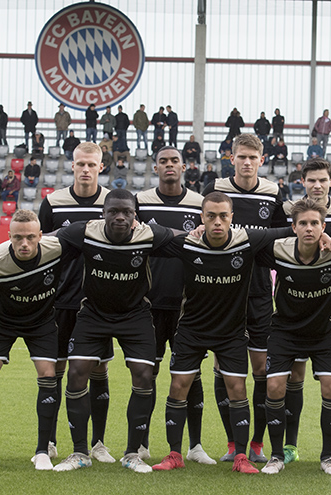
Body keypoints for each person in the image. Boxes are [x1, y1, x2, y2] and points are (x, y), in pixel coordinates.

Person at [151, 192, 298, 475]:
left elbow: (287, 230)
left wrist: (322, 235)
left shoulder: (246, 241)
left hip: (231, 333)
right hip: (192, 330)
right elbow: (154, 236)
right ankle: (175, 454)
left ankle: (241, 456)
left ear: (232, 218)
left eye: (223, 216)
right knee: (178, 386)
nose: (217, 222)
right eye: (211, 216)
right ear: (202, 218)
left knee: (237, 389)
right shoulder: (188, 243)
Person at [52, 189, 174, 474]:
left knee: (144, 374)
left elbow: (180, 237)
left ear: (135, 216)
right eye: (114, 212)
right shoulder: (85, 232)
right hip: (94, 314)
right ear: (103, 214)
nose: (120, 217)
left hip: (135, 315)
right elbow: (51, 238)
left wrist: (199, 232)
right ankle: (80, 452)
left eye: (126, 212)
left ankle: (132, 454)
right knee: (76, 372)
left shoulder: (148, 234)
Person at [202, 133, 289, 463]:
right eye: (242, 156)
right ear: (232, 158)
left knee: (261, 368)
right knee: (223, 366)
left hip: (258, 291)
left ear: (261, 160)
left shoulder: (272, 193)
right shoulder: (216, 189)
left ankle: (256, 444)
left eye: (253, 157)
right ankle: (231, 443)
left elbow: (282, 239)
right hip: (221, 292)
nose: (247, 162)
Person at [257, 199, 331, 476]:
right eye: (303, 223)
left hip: (322, 332)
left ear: (324, 226)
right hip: (285, 331)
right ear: (293, 227)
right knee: (274, 387)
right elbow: (249, 242)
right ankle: (276, 456)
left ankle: (328, 457)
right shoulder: (278, 250)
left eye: (315, 223)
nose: (309, 228)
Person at [279, 158, 331, 469]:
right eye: (311, 180)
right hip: (294, 299)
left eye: (322, 180)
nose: (317, 185)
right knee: (294, 373)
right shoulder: (290, 210)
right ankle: (290, 445)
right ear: (302, 181)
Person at [0, 210, 67, 470]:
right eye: (18, 237)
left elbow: (84, 231)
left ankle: (43, 451)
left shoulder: (56, 249)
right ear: (9, 236)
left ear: (40, 236)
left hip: (41, 322)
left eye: (30, 237)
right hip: (2, 322)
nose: (24, 243)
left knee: (48, 373)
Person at [135, 148, 211, 464]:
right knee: (146, 374)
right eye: (163, 161)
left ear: (184, 166)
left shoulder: (199, 203)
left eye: (174, 161)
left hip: (187, 306)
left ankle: (195, 446)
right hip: (149, 304)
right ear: (155, 167)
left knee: (191, 374)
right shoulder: (140, 202)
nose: (169, 165)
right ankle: (141, 444)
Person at [37, 141, 111, 462]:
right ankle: (50, 441)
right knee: (55, 370)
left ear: (101, 167)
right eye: (80, 163)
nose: (85, 169)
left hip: (99, 304)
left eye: (92, 164)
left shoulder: (113, 203)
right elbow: (39, 250)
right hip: (59, 302)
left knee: (98, 369)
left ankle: (98, 443)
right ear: (72, 165)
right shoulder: (53, 203)